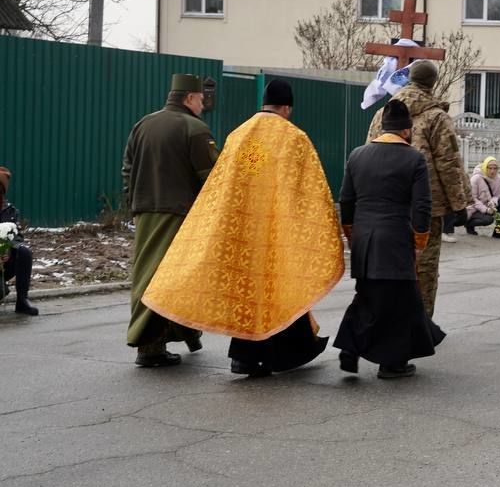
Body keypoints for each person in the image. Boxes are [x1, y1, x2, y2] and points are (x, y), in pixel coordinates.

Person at [141, 79, 344, 378]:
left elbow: (245, 180)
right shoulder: (293, 138)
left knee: (250, 296)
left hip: (246, 229)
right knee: (277, 290)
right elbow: (307, 190)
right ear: (287, 107)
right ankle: (265, 356)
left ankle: (246, 357)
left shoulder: (244, 134)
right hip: (278, 230)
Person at [337, 99, 446, 379]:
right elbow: (422, 206)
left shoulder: (357, 155)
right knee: (402, 303)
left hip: (364, 239)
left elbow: (346, 200)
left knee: (368, 296)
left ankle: (350, 347)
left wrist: (352, 236)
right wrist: (419, 242)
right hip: (396, 241)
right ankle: (392, 363)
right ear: (407, 130)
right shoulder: (413, 158)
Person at [121, 74, 219, 367]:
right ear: (189, 98)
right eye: (201, 99)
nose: (203, 105)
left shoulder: (143, 124)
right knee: (164, 277)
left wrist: (134, 202)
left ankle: (184, 333)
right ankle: (149, 345)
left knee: (154, 272)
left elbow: (127, 168)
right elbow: (212, 176)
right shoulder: (195, 128)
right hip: (177, 214)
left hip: (145, 210)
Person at [367, 59, 470, 319]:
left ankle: (388, 320)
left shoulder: (383, 114)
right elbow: (448, 162)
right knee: (423, 266)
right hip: (426, 206)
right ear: (432, 82)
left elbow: (370, 153)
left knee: (390, 266)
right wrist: (459, 204)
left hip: (386, 205)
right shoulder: (436, 116)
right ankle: (419, 323)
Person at [0, 167, 38, 315]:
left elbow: (17, 238)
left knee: (24, 252)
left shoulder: (9, 212)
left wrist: (9, 249)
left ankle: (22, 300)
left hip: (3, 263)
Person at [466, 156, 500, 238]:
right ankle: (468, 224)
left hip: (488, 205)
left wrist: (493, 203)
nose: (492, 171)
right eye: (490, 168)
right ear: (484, 167)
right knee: (488, 220)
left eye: (495, 168)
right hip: (473, 208)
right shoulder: (476, 178)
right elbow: (472, 199)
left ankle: (498, 232)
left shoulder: (498, 179)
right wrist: (486, 210)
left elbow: (497, 195)